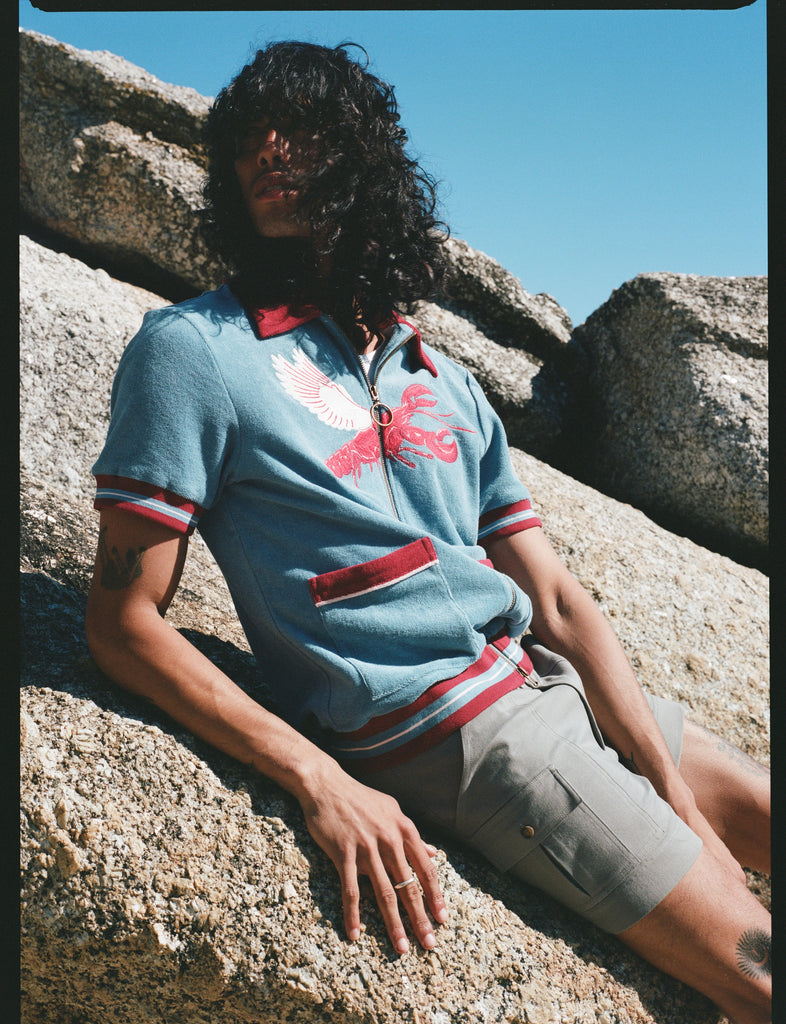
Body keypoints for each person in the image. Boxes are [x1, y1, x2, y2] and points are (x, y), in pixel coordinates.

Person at [85, 41, 771, 1023]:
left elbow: (563, 601)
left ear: (363, 159)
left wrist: (675, 790)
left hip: (540, 679)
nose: (271, 149)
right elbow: (123, 623)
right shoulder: (194, 352)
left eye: (305, 127)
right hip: (458, 733)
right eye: (247, 139)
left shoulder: (440, 378)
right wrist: (318, 777)